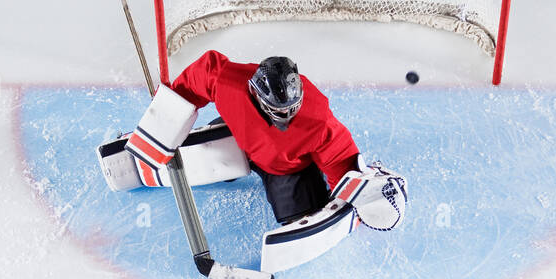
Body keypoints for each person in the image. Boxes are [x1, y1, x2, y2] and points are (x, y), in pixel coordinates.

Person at [124, 52, 407, 233]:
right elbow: (198, 78)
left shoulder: (318, 119)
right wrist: (167, 114)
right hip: (239, 137)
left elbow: (338, 158)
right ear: (257, 95)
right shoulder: (226, 81)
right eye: (278, 110)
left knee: (300, 221)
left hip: (286, 170)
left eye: (291, 108)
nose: (286, 115)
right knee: (196, 153)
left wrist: (354, 197)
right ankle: (146, 153)